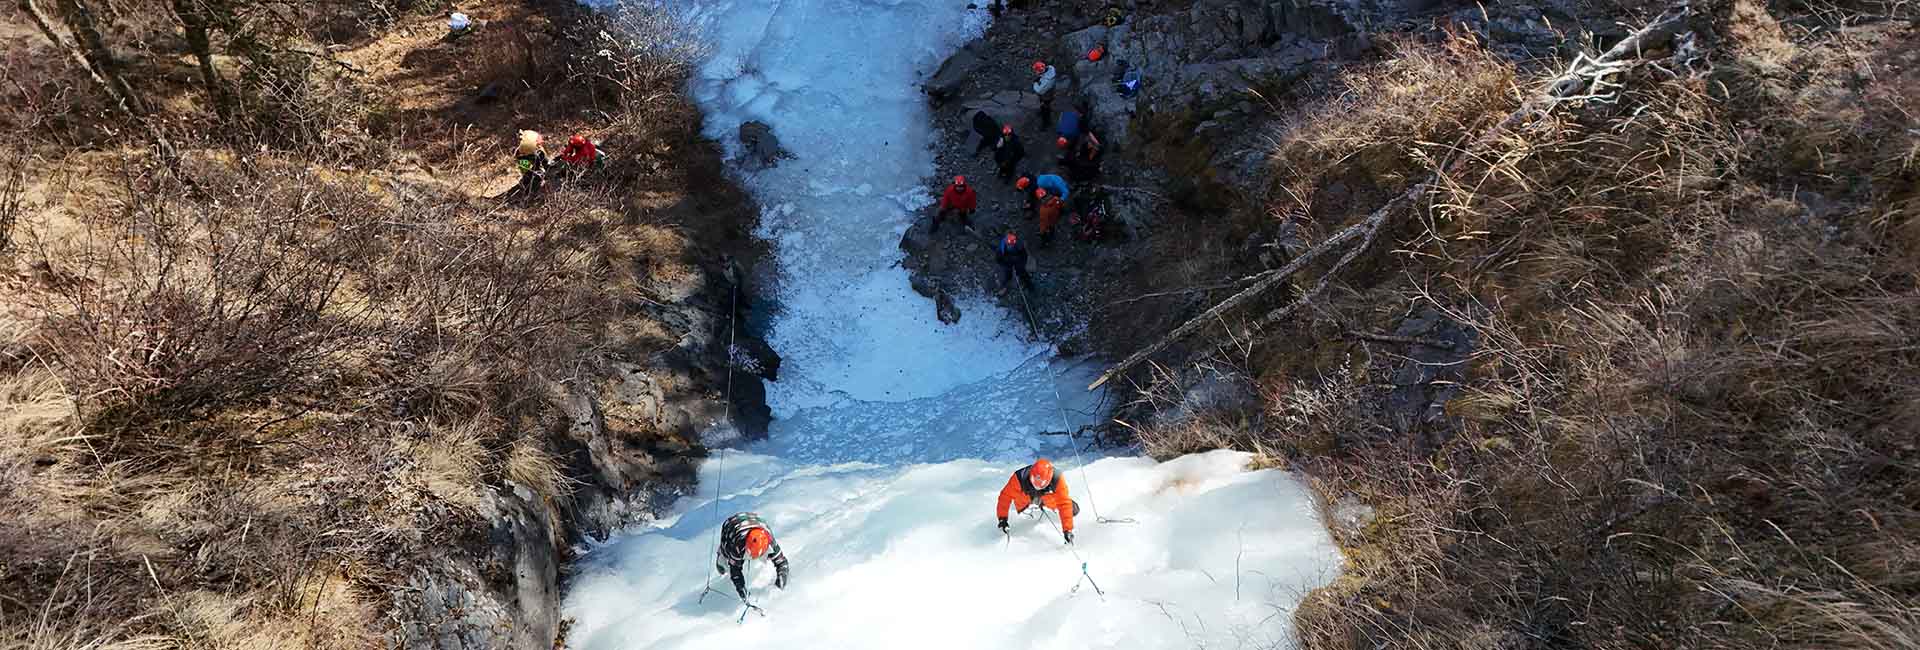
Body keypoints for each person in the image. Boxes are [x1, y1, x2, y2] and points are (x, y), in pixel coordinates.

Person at [995, 458, 1079, 544]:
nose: (1037, 486)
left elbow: (1064, 503)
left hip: (1046, 497)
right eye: (1034, 480)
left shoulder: (1057, 478)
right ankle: (1028, 507)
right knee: (1016, 499)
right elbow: (1005, 496)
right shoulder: (1019, 477)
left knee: (1071, 508)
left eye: (1042, 483)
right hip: (1025, 497)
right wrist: (1002, 518)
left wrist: (1067, 530)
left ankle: (1042, 504)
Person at [715, 512, 790, 601]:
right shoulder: (737, 545)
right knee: (726, 557)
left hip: (756, 521)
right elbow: (735, 571)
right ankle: (721, 556)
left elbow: (782, 562)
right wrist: (741, 588)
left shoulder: (770, 541)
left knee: (772, 556)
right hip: (731, 525)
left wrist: (781, 580)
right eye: (751, 554)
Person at [511, 130, 549, 201]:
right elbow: (545, 161)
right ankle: (531, 190)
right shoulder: (531, 135)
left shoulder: (529, 135)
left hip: (526, 155)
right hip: (532, 154)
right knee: (530, 174)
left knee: (528, 175)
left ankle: (529, 191)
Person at [1031, 60, 1058, 125]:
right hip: (1050, 92)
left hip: (1046, 96)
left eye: (1036, 71)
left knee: (1045, 108)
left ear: (1041, 71)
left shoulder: (1047, 82)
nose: (1035, 72)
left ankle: (1046, 122)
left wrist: (1036, 82)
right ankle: (1043, 110)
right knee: (1043, 104)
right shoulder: (1051, 69)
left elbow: (1038, 90)